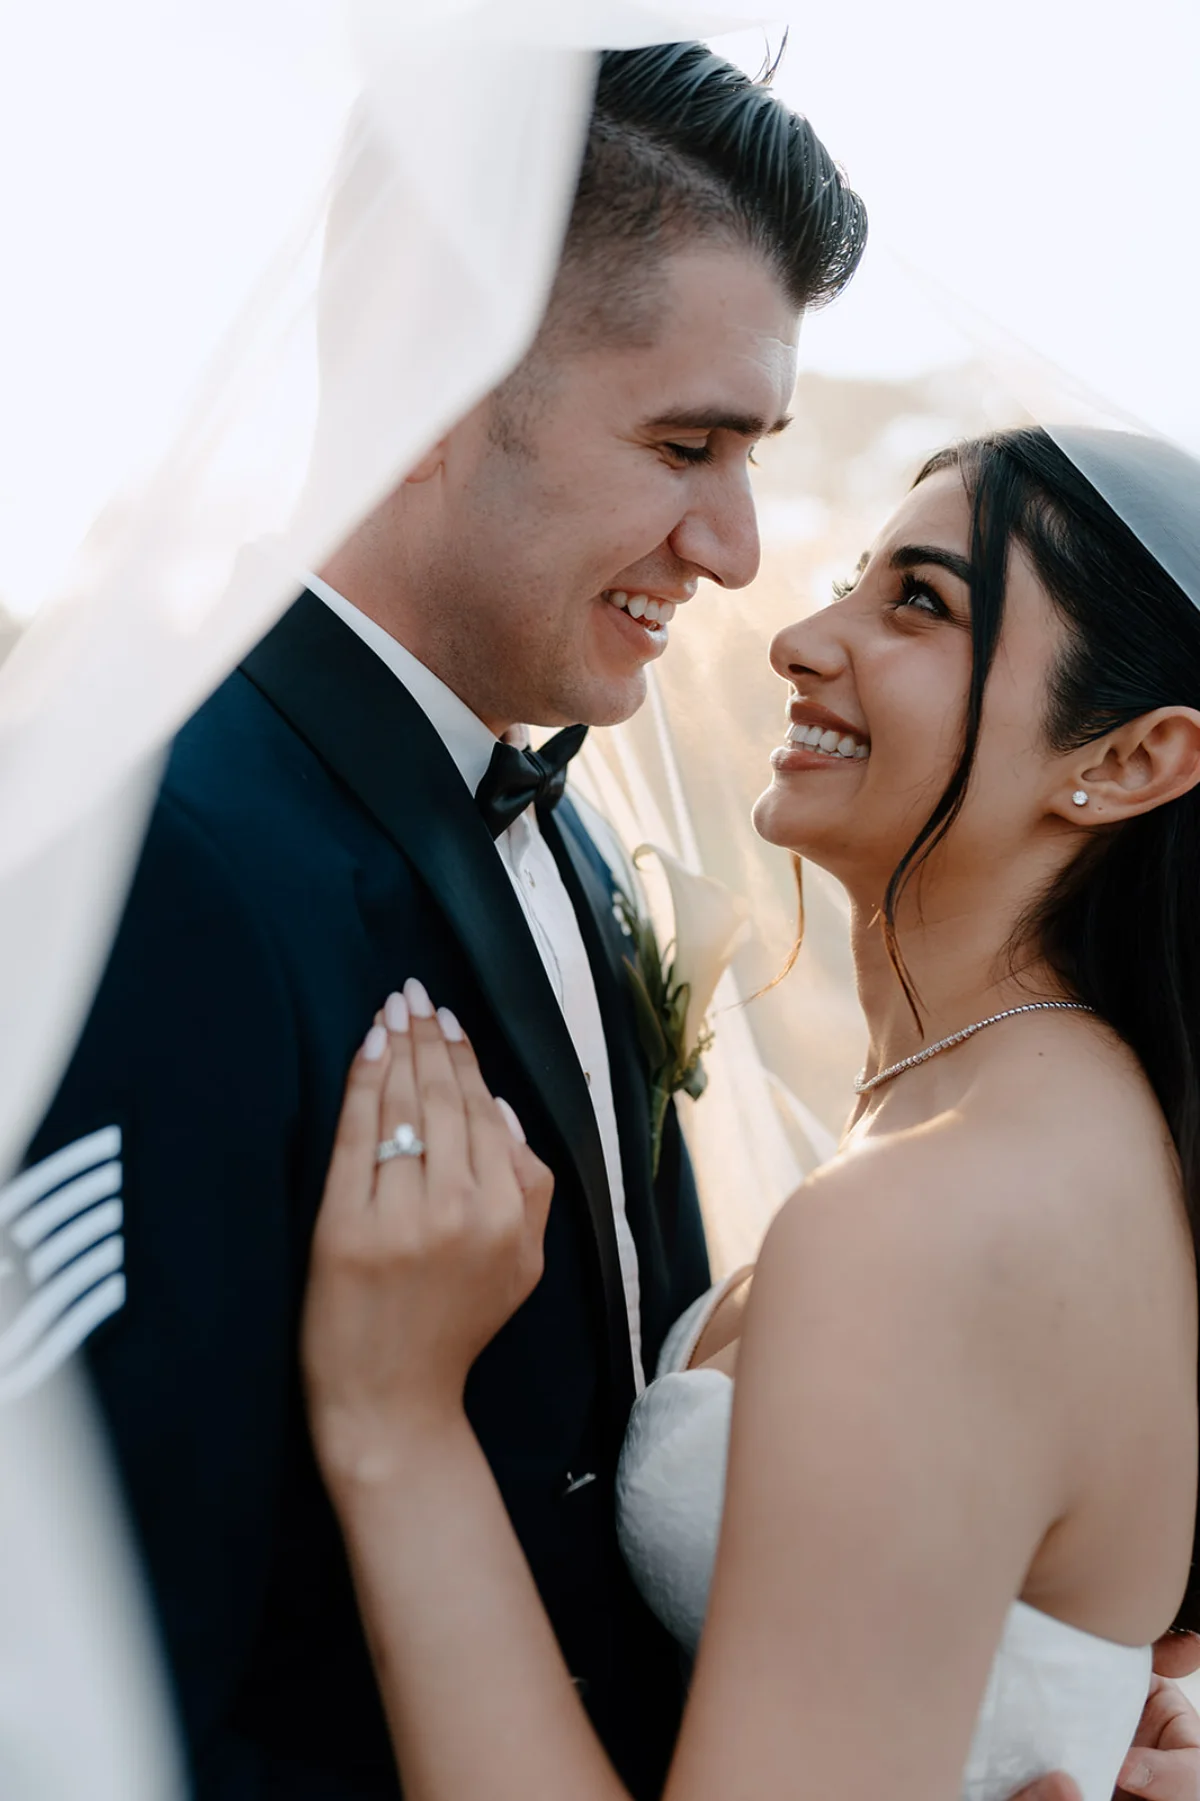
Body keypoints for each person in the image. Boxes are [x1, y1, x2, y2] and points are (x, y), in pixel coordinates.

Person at [11, 42, 866, 1801]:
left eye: (756, 451)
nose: (735, 547)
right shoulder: (161, 863)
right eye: (685, 444)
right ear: (426, 391)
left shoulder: (584, 834)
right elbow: (101, 1645)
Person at [300, 427, 1200, 1801]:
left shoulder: (944, 1215)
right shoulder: (1043, 1129)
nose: (798, 637)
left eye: (923, 603)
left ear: (1133, 761)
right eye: (858, 577)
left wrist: (400, 1430)